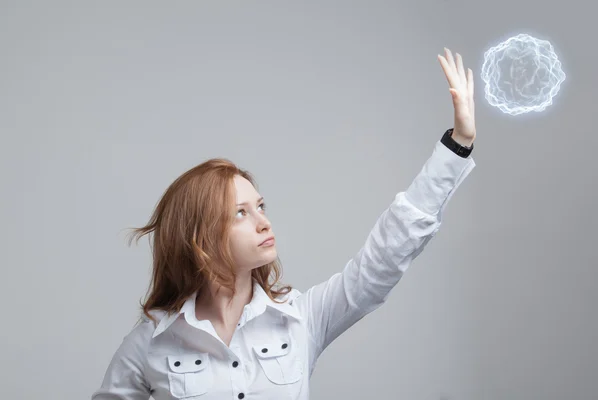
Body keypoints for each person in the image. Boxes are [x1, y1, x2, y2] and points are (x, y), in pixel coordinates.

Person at [91, 48, 477, 400]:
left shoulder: (300, 317)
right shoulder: (153, 341)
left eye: (260, 206)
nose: (263, 222)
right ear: (201, 238)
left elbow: (384, 259)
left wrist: (458, 144)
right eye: (240, 213)